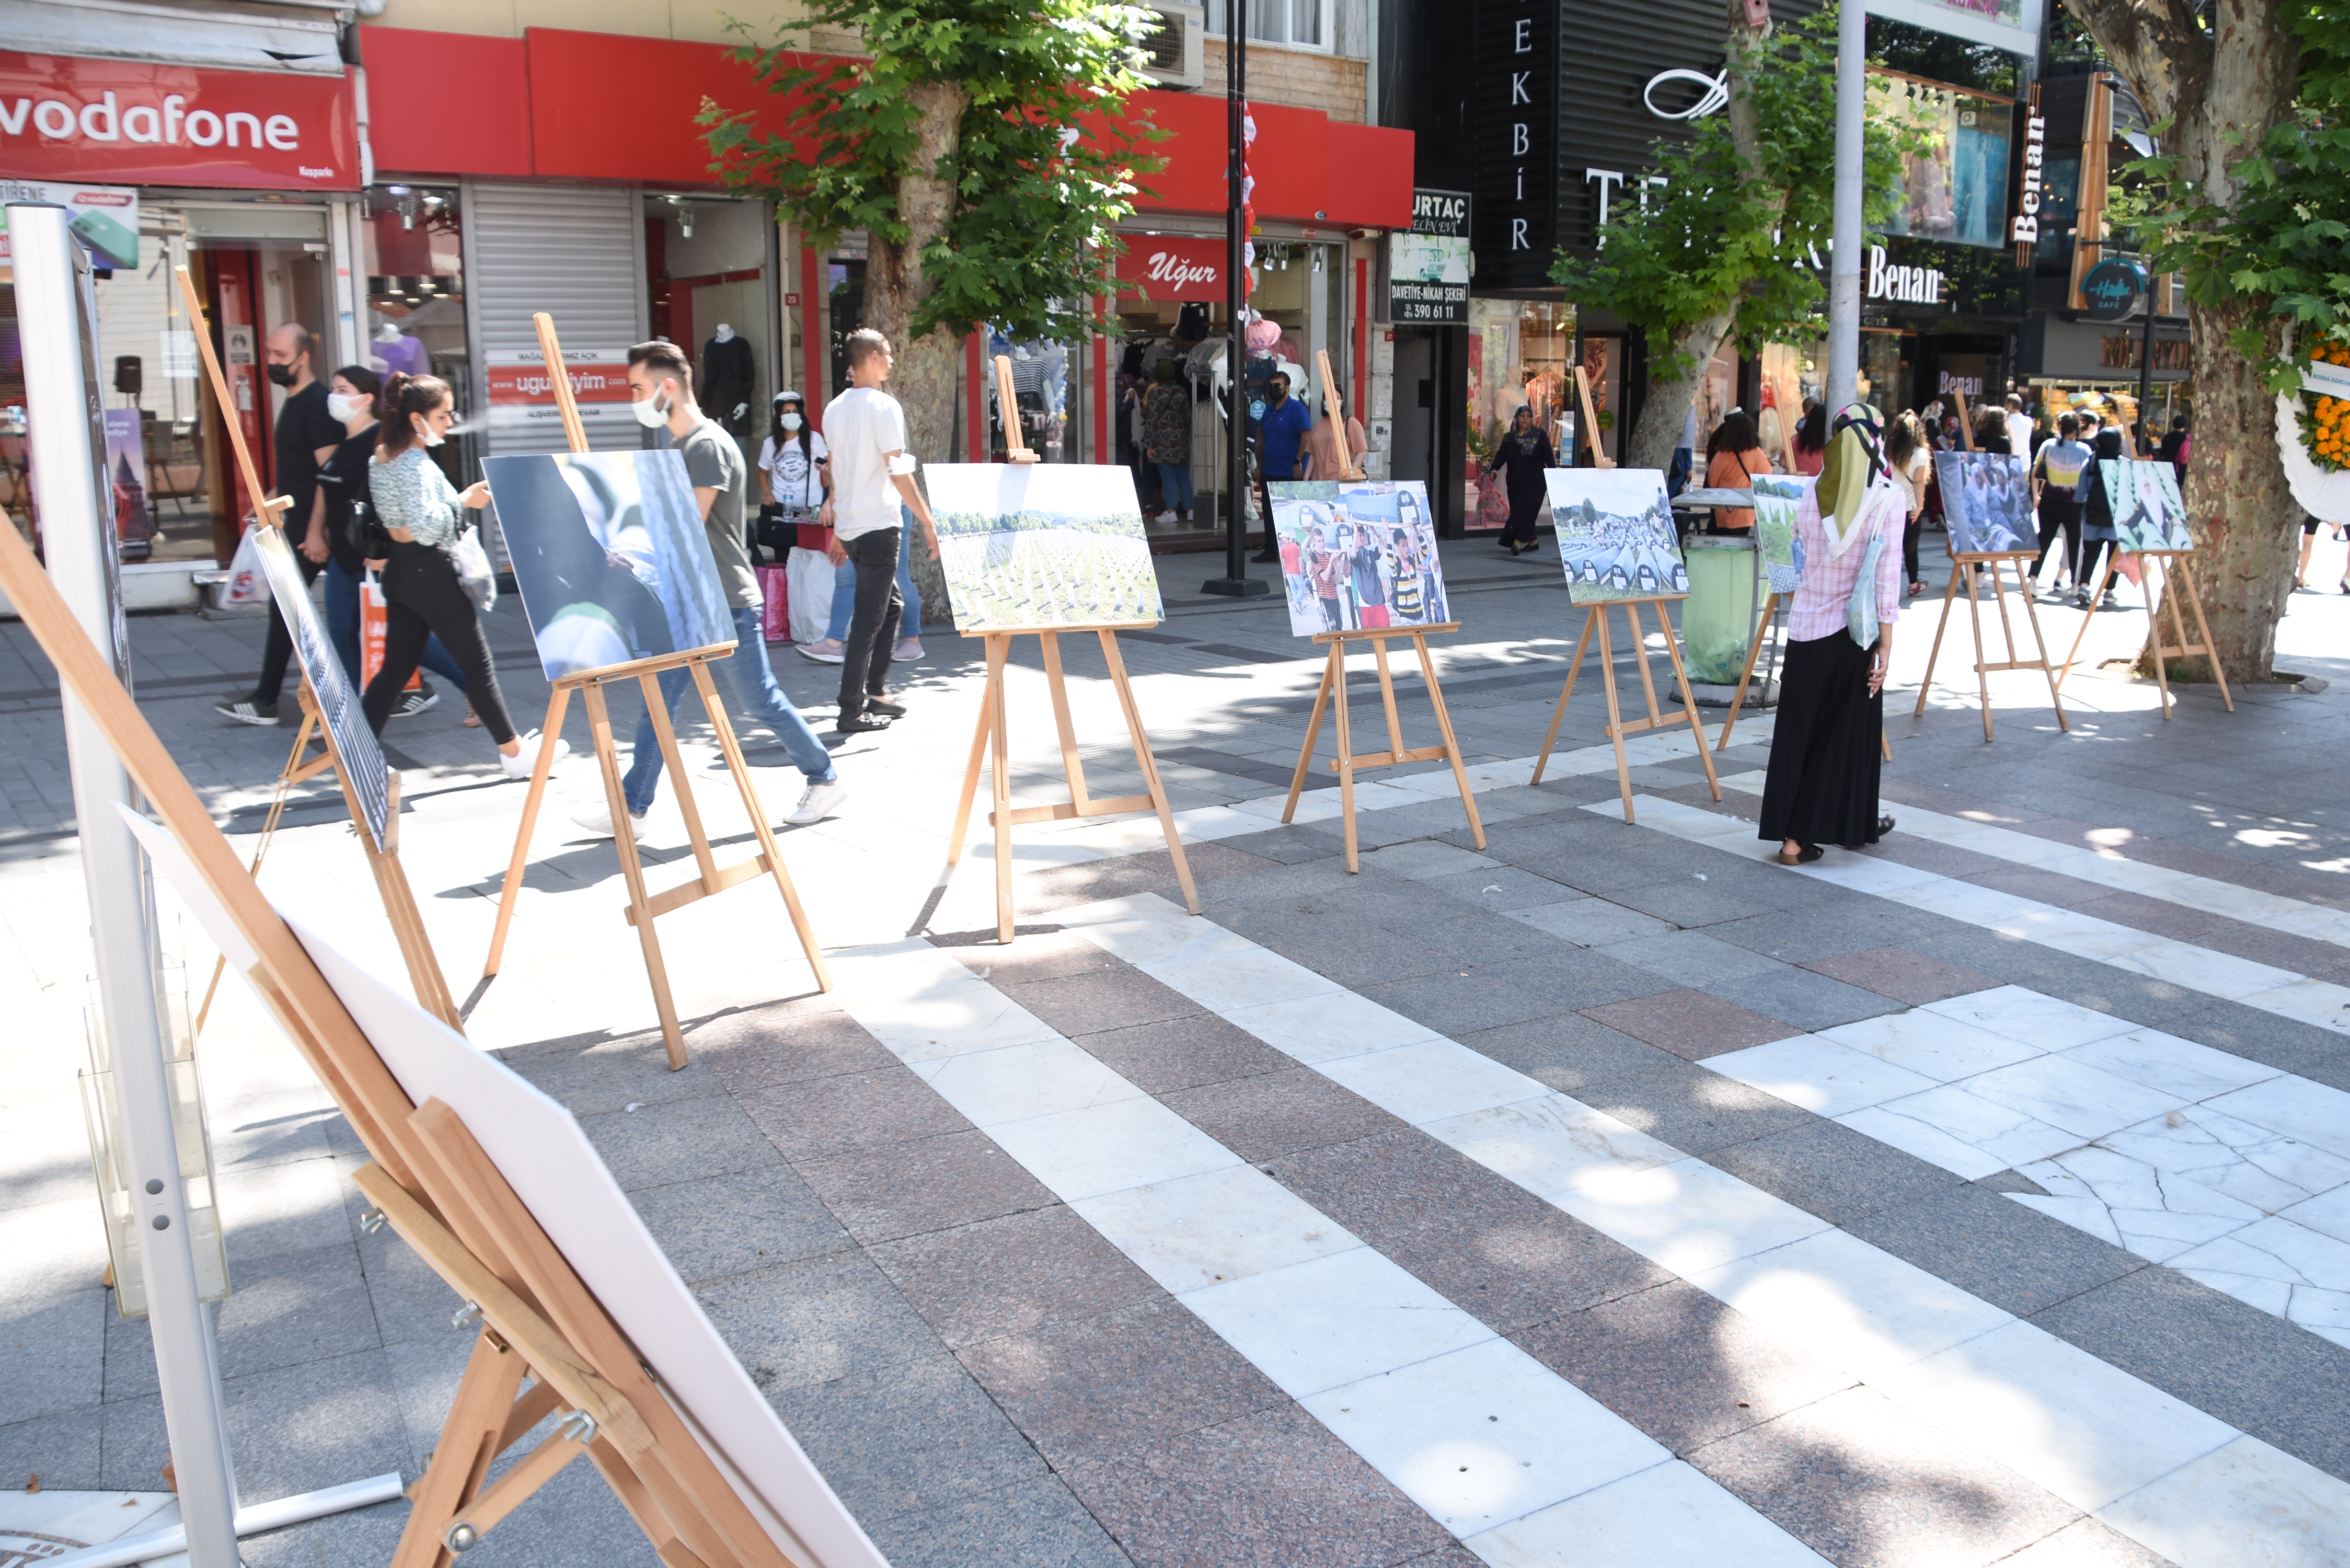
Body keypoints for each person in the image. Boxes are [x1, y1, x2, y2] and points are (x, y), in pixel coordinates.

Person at [568, 345, 848, 838]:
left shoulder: (706, 445)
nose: (633, 398)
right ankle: (632, 809)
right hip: (688, 598)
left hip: (723, 599)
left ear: (666, 387)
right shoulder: (681, 446)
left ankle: (823, 777)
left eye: (638, 388)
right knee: (659, 703)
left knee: (759, 701)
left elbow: (685, 526)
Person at [360, 374, 565, 779]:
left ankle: (359, 754)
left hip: (401, 573)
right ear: (417, 420)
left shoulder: (381, 456)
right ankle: (513, 753)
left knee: (396, 670)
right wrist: (463, 502)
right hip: (431, 572)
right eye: (443, 415)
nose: (450, 422)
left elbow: (399, 523)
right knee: (477, 666)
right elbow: (426, 526)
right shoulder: (416, 462)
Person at [1758, 403, 1906, 865]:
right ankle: (1797, 841)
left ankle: (1853, 823)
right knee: (1840, 737)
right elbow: (1886, 581)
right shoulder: (1888, 497)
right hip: (1852, 634)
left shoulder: (1810, 493)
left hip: (1805, 631)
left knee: (1800, 735)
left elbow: (1798, 555)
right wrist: (1886, 644)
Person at [310, 365, 473, 719]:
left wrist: (383, 552)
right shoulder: (347, 443)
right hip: (344, 559)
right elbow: (329, 489)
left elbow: (388, 503)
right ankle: (351, 713)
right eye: (334, 388)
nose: (333, 396)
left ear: (366, 398)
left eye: (342, 389)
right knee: (344, 635)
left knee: (407, 643)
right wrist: (316, 532)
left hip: (374, 561)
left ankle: (472, 687)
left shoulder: (379, 444)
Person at [217, 324, 344, 725]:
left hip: (317, 530)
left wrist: (314, 531)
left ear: (302, 358)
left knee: (290, 609)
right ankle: (265, 698)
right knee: (299, 610)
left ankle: (266, 700)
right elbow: (302, 470)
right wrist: (271, 496)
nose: (271, 362)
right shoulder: (294, 400)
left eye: (279, 355)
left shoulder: (316, 404)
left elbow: (330, 474)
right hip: (303, 525)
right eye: (269, 353)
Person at [822, 328, 940, 733]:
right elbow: (898, 470)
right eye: (887, 353)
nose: (892, 360)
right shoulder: (884, 407)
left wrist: (838, 527)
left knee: (890, 607)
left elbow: (835, 471)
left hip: (855, 527)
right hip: (878, 525)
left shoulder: (834, 408)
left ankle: (875, 692)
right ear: (871, 357)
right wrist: (927, 520)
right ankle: (851, 709)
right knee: (869, 618)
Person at [2030, 413, 2092, 596]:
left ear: (2059, 427)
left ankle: (2033, 579)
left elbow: (2035, 473)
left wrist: (2036, 496)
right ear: (2076, 430)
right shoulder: (2084, 450)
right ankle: (2075, 583)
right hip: (2075, 503)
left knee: (2044, 539)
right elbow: (2089, 479)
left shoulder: (2048, 445)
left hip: (2048, 500)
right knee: (2074, 542)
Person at [1485, 405, 1554, 556]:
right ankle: (1533, 541)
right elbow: (1501, 456)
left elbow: (1549, 456)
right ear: (1517, 418)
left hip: (1536, 482)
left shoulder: (1539, 436)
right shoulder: (1510, 438)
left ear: (1532, 419)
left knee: (1527, 511)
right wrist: (1495, 468)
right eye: (1522, 416)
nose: (1525, 419)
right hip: (1516, 483)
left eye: (1528, 416)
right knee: (1519, 510)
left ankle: (1517, 541)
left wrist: (1554, 475)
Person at [1882, 410, 1931, 596]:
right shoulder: (1920, 453)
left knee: (1886, 547)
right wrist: (1920, 505)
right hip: (1909, 506)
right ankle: (1913, 584)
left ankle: (1884, 584)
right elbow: (1919, 481)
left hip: (1887, 504)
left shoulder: (1888, 448)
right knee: (1910, 548)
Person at [2076, 426, 2125, 607]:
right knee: (2114, 556)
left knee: (2090, 554)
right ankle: (2109, 591)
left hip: (2091, 519)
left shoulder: (2090, 463)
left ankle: (2083, 586)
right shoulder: (2124, 464)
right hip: (2116, 520)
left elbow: (2080, 494)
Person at [1143, 359, 1193, 525]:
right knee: (1183, 475)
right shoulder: (1181, 392)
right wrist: (1186, 436)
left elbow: (1151, 419)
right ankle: (1191, 509)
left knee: (1167, 476)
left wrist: (1149, 444)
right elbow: (1187, 417)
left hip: (1161, 442)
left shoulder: (1155, 392)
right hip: (1180, 441)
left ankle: (1171, 510)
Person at [1703, 411, 1770, 533]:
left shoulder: (1721, 454)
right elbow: (1765, 481)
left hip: (1723, 510)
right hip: (1745, 513)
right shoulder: (1757, 454)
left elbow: (1712, 482)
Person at [1300, 381, 1368, 481]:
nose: (1333, 401)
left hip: (1340, 481)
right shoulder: (1319, 424)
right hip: (1319, 482)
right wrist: (1306, 478)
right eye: (1329, 397)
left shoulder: (1350, 422)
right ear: (1323, 402)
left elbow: (1362, 450)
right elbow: (1313, 454)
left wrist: (1351, 473)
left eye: (1337, 398)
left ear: (1342, 402)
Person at [1790, 400, 1828, 475]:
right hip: (1819, 483)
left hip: (1799, 482)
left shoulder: (1796, 439)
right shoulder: (1829, 442)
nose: (1805, 416)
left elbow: (1782, 462)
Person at [2157, 415, 2191, 482]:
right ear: (2184, 426)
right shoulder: (2187, 438)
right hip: (2181, 468)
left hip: (2167, 466)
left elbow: (2163, 453)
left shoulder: (2167, 437)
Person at [2004, 394, 2037, 460]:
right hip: (2025, 462)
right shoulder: (2029, 421)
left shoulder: (2005, 422)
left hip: (2010, 462)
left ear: (2010, 406)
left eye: (2005, 405)